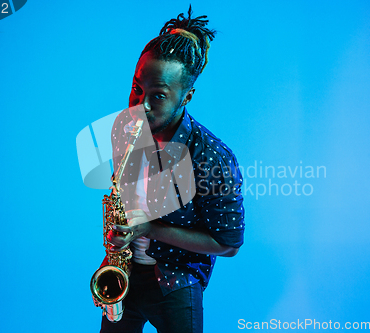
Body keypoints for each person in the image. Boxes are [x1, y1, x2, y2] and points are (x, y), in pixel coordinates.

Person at [96, 6, 245, 333]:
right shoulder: (125, 127)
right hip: (124, 275)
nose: (140, 104)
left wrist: (148, 229)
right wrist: (114, 251)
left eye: (158, 96)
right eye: (137, 87)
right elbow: (122, 200)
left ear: (187, 96)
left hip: (176, 282)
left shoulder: (212, 157)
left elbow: (229, 242)